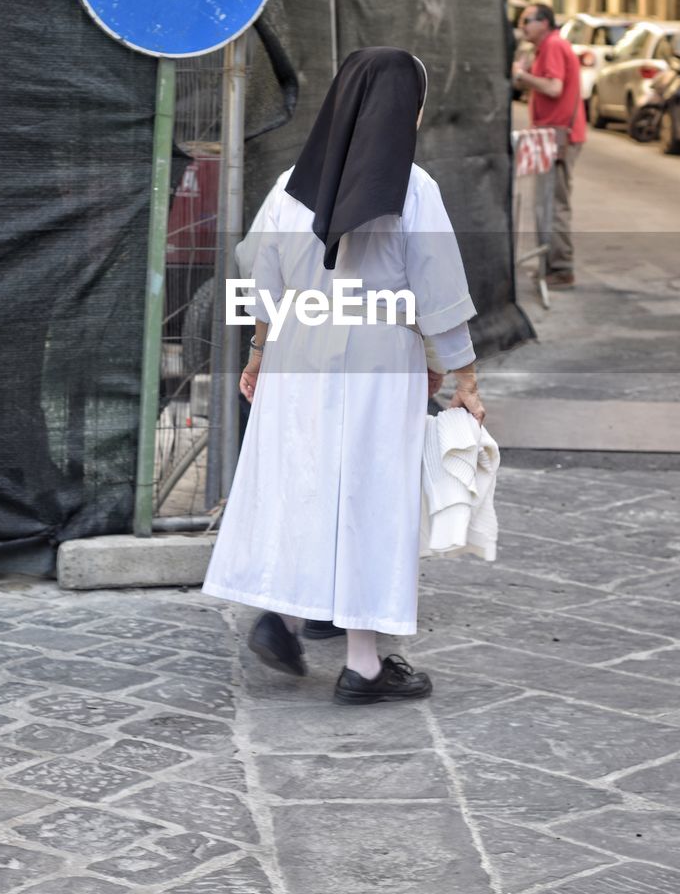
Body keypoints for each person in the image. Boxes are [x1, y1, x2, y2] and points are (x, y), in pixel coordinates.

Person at [202, 47, 485, 705]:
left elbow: (260, 280)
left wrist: (257, 353)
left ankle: (287, 612)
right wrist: (463, 377)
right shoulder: (413, 191)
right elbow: (439, 292)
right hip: (377, 360)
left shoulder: (287, 187)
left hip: (298, 351)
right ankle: (361, 664)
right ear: (402, 112)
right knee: (368, 500)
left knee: (304, 484)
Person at [512, 3, 586, 287]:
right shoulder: (543, 48)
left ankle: (561, 268)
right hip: (548, 132)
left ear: (544, 22)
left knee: (554, 203)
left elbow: (554, 87)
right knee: (544, 201)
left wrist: (522, 75)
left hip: (558, 134)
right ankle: (549, 265)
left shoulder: (554, 45)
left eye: (526, 20)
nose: (522, 26)